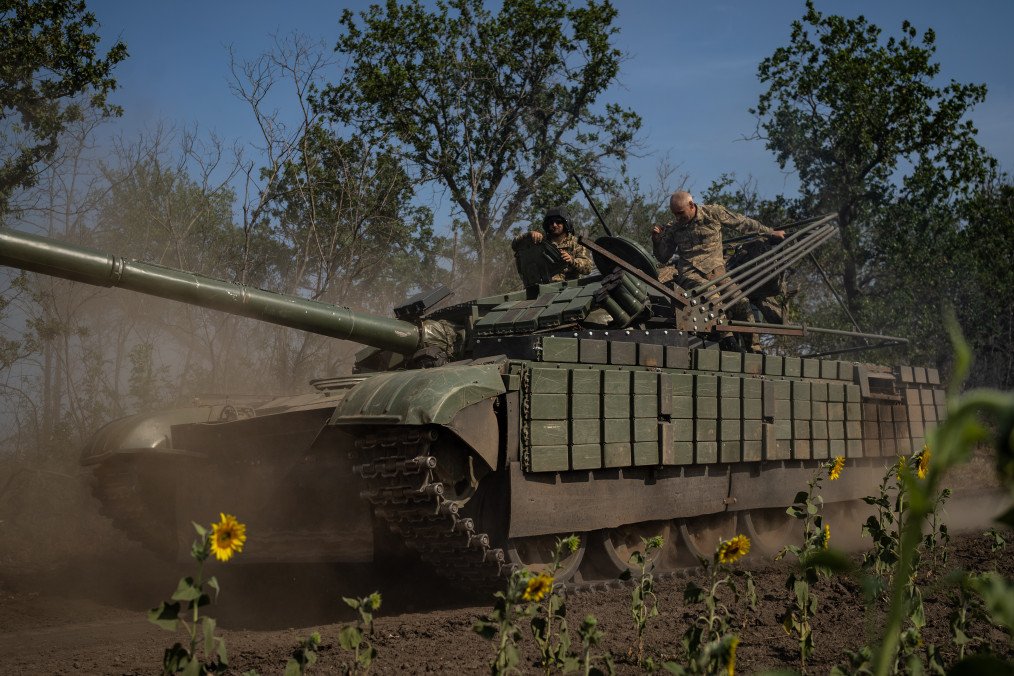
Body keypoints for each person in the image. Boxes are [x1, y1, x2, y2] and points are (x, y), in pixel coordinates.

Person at [652, 191, 786, 349]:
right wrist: (656, 241)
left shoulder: (712, 213)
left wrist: (770, 232)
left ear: (691, 205)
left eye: (681, 213)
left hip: (717, 272)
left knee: (741, 302)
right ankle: (729, 342)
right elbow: (663, 257)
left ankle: (754, 348)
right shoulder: (673, 227)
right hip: (690, 274)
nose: (678, 218)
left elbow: (742, 223)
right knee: (713, 299)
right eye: (675, 214)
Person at [512, 206, 593, 282]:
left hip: (569, 286)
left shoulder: (575, 243)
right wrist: (528, 235)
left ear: (565, 223)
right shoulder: (541, 241)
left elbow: (588, 268)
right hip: (545, 287)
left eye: (558, 222)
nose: (554, 225)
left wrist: (572, 260)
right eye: (551, 223)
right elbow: (515, 246)